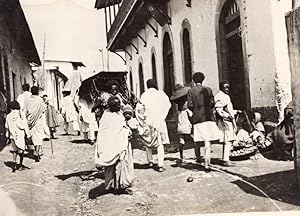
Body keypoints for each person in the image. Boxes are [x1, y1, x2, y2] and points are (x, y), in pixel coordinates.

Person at [95, 96, 134, 195]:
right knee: (110, 167)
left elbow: (123, 126)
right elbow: (104, 132)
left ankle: (121, 186)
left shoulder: (120, 114)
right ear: (111, 106)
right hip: (110, 145)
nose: (120, 106)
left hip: (121, 144)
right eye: (117, 105)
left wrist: (127, 132)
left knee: (122, 165)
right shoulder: (106, 116)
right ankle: (110, 186)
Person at [187, 73, 221, 171]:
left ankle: (198, 158)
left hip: (197, 118)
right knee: (207, 140)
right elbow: (212, 103)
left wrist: (196, 110)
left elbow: (190, 105)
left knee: (197, 139)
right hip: (208, 116)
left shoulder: (190, 91)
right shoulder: (209, 90)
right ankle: (207, 163)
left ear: (193, 80)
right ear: (203, 80)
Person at [138, 79, 171, 172]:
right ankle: (160, 165)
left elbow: (140, 109)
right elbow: (168, 105)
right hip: (159, 121)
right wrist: (162, 115)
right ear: (155, 85)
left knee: (147, 142)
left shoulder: (144, 95)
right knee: (160, 144)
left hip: (148, 121)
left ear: (147, 86)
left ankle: (150, 162)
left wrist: (142, 120)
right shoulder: (161, 94)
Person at [214, 80, 237, 166]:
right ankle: (226, 160)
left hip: (228, 120)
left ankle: (225, 158)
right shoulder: (220, 96)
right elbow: (219, 110)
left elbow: (228, 108)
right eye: (225, 87)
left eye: (228, 87)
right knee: (227, 140)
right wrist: (227, 116)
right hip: (225, 121)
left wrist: (234, 112)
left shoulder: (225, 96)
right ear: (221, 87)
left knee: (227, 140)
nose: (227, 89)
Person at [5, 101, 30, 172]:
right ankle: (20, 165)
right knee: (21, 150)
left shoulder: (8, 116)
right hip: (20, 135)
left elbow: (7, 127)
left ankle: (14, 163)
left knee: (14, 150)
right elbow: (23, 125)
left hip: (12, 135)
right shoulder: (20, 115)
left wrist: (7, 136)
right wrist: (28, 134)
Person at [170, 84, 192, 160]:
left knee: (181, 140)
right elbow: (191, 116)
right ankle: (197, 155)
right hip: (187, 123)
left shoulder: (178, 106)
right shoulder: (187, 107)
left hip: (180, 124)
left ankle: (181, 155)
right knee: (193, 138)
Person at [25, 86, 47, 162]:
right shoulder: (40, 100)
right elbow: (44, 110)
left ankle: (34, 150)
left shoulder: (27, 100)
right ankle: (37, 152)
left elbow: (25, 111)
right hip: (38, 121)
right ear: (37, 92)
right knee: (38, 136)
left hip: (29, 121)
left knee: (32, 136)